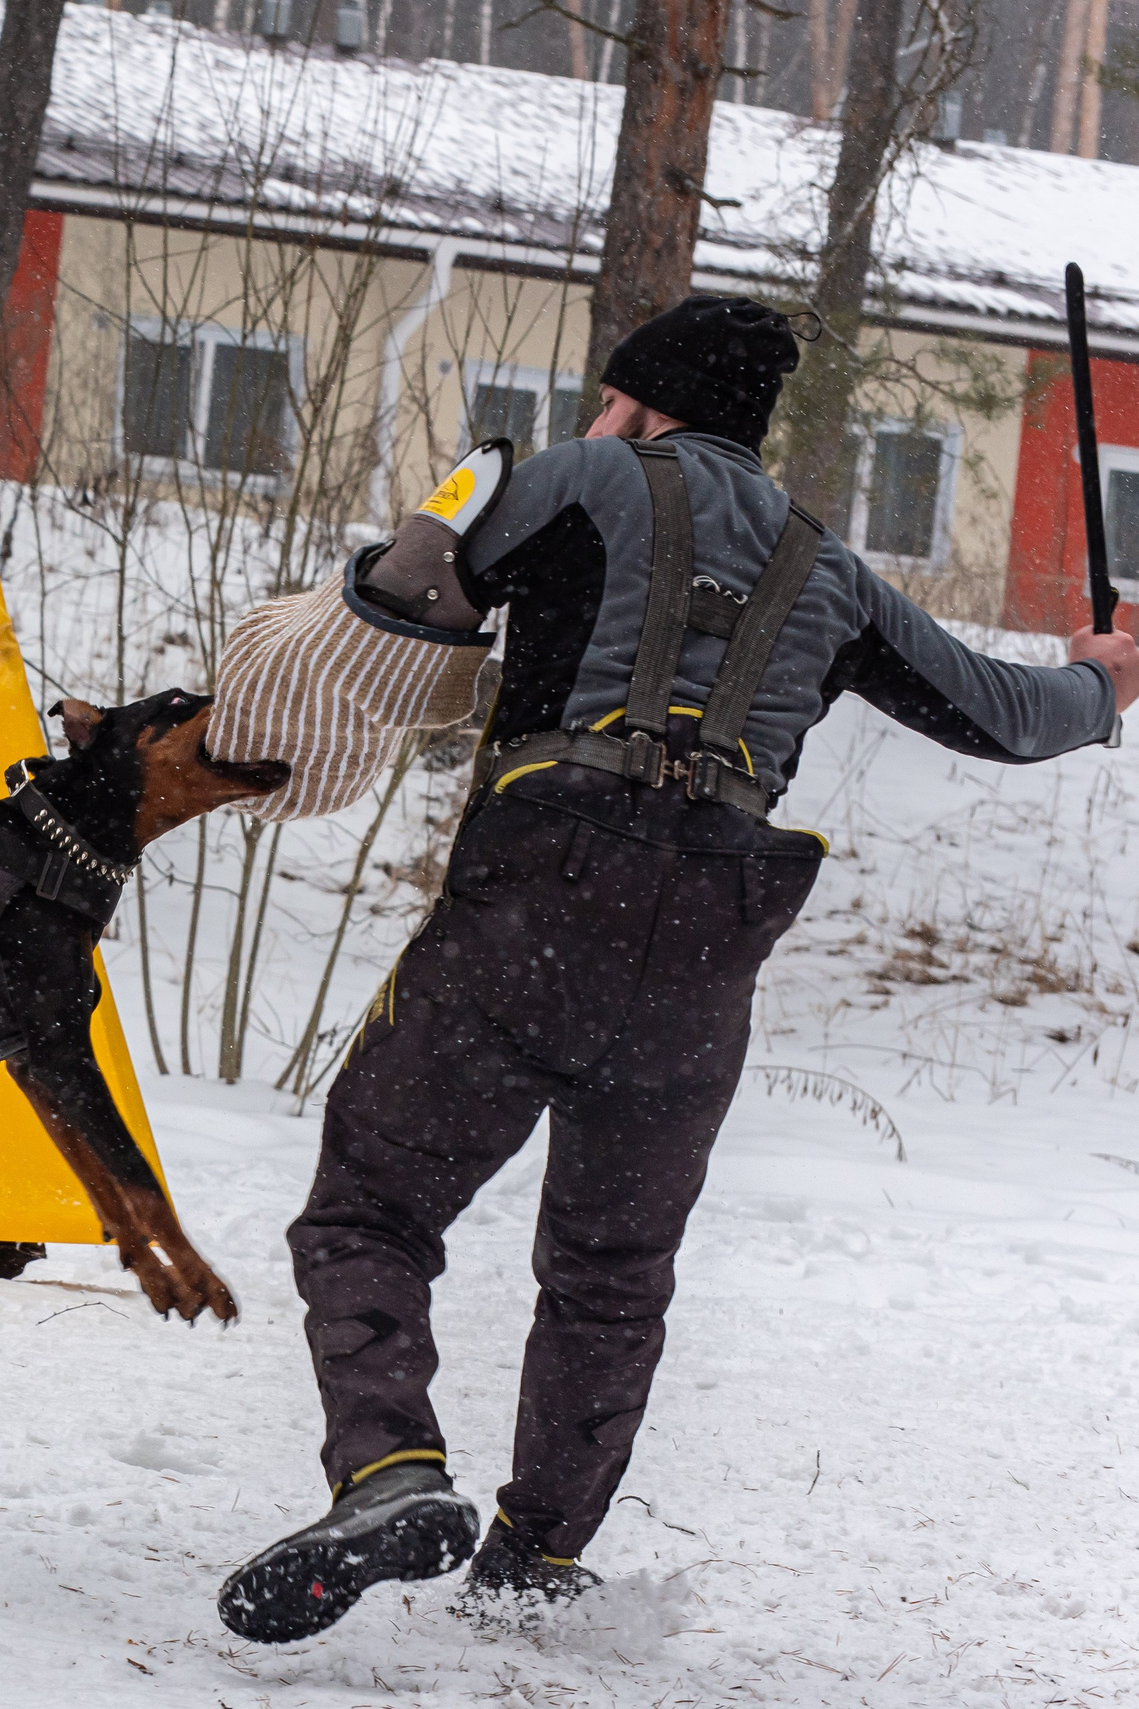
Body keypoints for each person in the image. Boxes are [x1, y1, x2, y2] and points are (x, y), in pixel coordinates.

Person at [214, 294, 1139, 1644]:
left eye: (610, 402)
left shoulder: (582, 478)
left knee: (371, 1209)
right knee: (611, 1267)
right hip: (709, 934)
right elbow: (1003, 715)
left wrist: (439, 532)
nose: (600, 421)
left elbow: (406, 600)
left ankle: (389, 1473)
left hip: (542, 895)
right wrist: (1107, 678)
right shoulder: (832, 571)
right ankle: (535, 1552)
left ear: (644, 403)